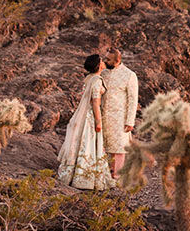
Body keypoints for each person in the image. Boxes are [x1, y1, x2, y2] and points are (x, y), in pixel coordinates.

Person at [56, 54, 116, 190]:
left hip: (83, 115)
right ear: (98, 65)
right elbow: (95, 102)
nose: (103, 62)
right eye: (101, 61)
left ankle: (74, 174)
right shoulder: (96, 80)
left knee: (82, 142)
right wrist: (98, 121)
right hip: (90, 115)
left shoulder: (88, 78)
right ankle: (86, 178)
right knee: (88, 143)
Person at [99, 48, 138, 179]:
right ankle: (104, 173)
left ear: (118, 60)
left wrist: (130, 121)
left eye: (108, 59)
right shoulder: (102, 73)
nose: (105, 61)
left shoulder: (129, 75)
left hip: (120, 117)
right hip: (103, 115)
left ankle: (117, 176)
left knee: (119, 147)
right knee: (103, 145)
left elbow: (133, 100)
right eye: (105, 58)